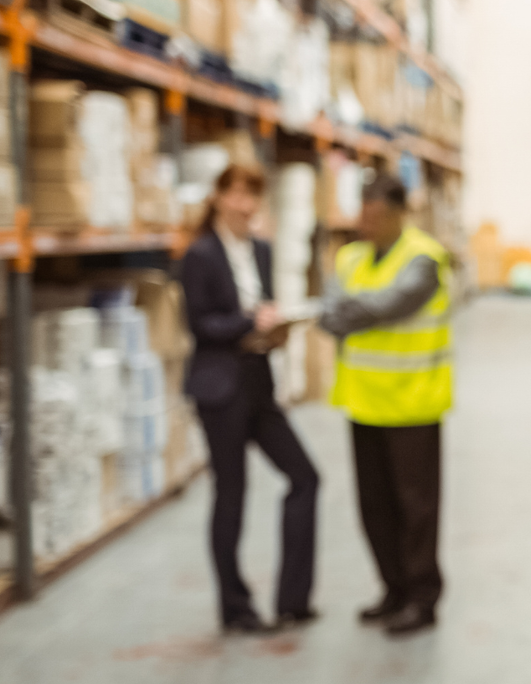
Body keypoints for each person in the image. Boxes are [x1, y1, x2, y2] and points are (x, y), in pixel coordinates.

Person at [180, 164, 320, 634]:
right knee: (231, 495)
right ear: (218, 197)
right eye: (237, 195)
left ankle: (292, 601)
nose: (246, 205)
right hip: (220, 389)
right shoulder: (199, 254)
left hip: (258, 384)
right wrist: (248, 325)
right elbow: (200, 326)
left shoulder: (261, 249)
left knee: (305, 477)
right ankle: (235, 608)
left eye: (253, 196)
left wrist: (275, 331)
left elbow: (262, 310)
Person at [320, 172, 453, 635]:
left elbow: (390, 305)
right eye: (363, 213)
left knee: (416, 509)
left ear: (400, 215)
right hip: (364, 403)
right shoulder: (350, 256)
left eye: (376, 216)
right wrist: (350, 310)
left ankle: (422, 597)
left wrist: (350, 310)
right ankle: (393, 589)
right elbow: (329, 310)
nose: (366, 224)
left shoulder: (425, 259)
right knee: (374, 507)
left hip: (414, 405)